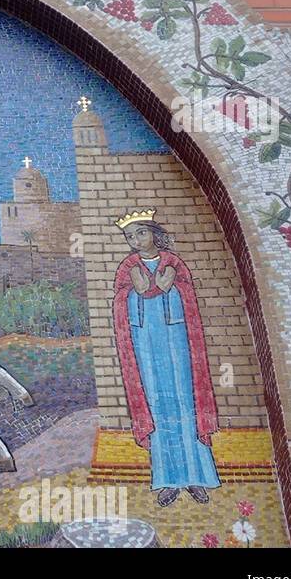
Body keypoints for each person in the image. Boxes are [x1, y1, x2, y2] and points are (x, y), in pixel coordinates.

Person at [111, 210, 219, 506]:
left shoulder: (174, 261)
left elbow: (177, 288)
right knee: (157, 406)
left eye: (140, 233)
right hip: (146, 342)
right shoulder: (128, 266)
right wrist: (141, 289)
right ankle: (168, 481)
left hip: (178, 341)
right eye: (129, 237)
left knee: (187, 402)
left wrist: (162, 286)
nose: (135, 240)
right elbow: (133, 294)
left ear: (155, 234)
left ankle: (197, 478)